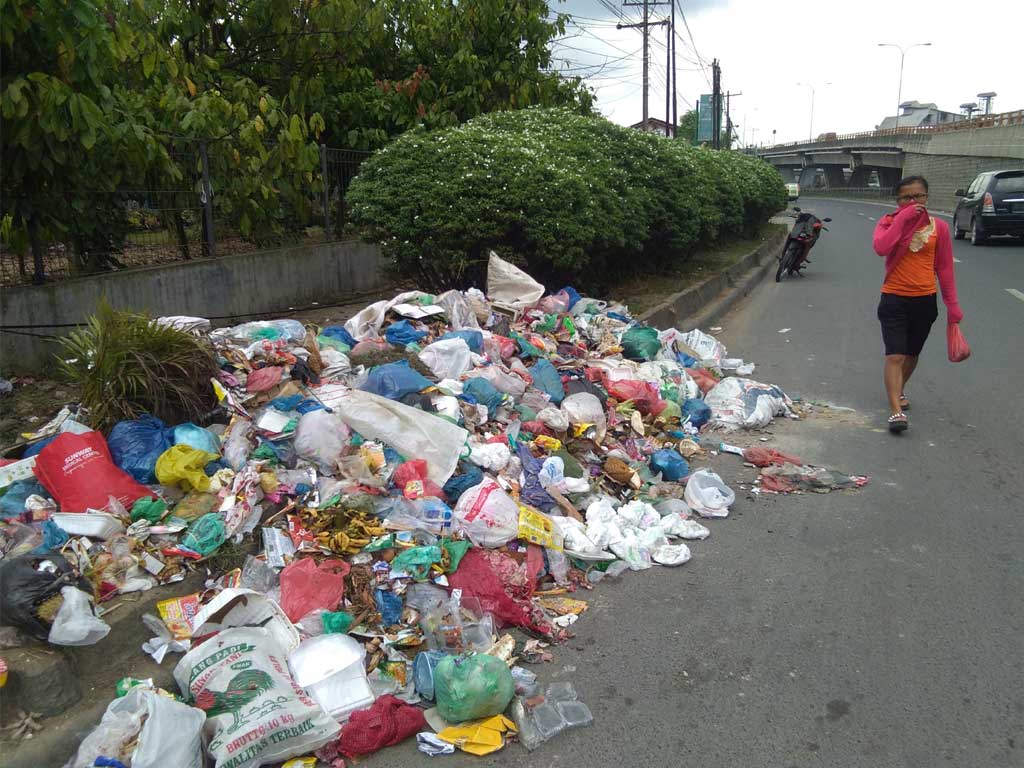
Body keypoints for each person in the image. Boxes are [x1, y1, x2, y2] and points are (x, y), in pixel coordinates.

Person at [872, 175, 963, 433]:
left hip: (925, 301)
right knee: (895, 355)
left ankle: (898, 390)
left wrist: (952, 306)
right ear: (898, 201)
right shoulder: (888, 222)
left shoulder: (939, 228)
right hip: (894, 298)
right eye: (906, 198)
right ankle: (895, 412)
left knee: (912, 354)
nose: (913, 201)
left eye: (918, 196)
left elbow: (944, 268)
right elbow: (881, 247)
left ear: (927, 197)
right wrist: (902, 219)